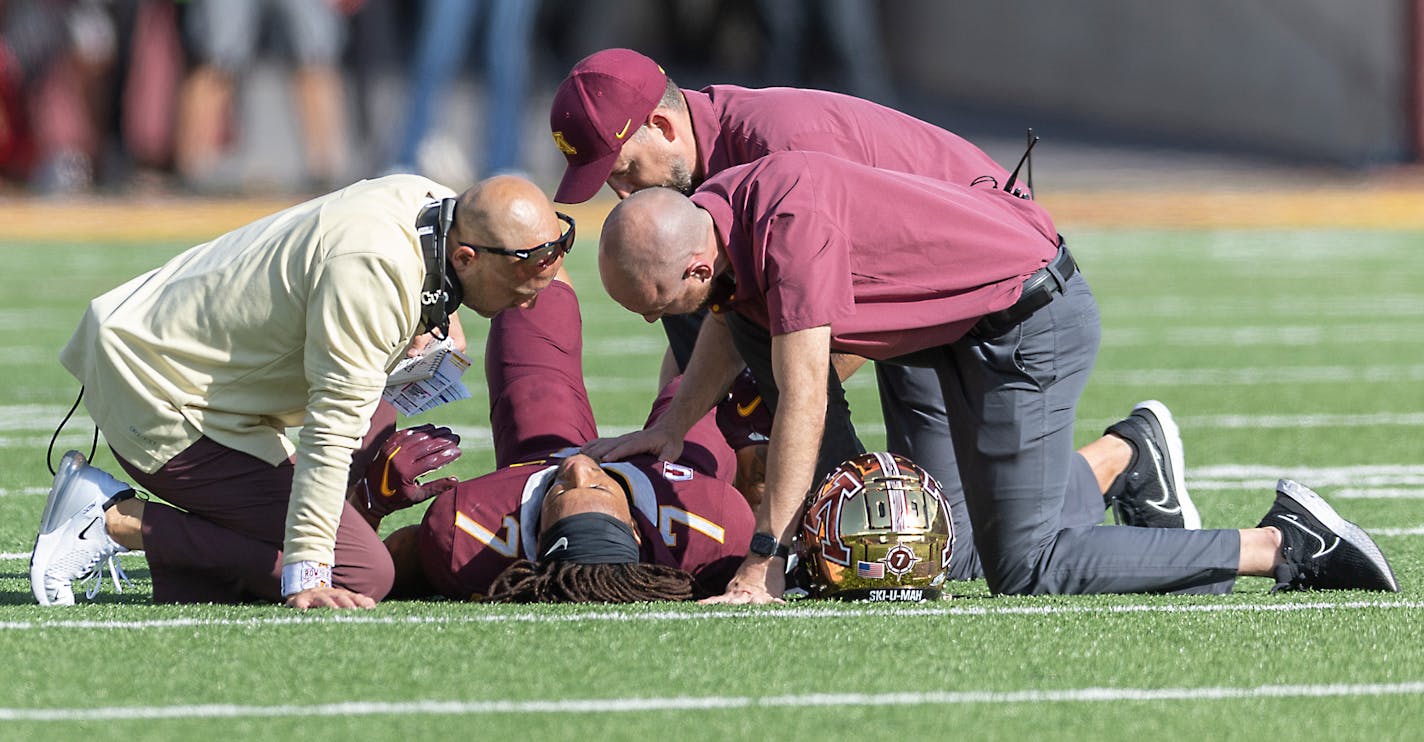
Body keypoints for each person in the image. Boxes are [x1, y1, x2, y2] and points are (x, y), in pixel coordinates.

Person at [589, 154, 1401, 603]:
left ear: (698, 257)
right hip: (956, 334)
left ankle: (1286, 544)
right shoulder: (722, 206)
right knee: (959, 546)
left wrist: (766, 558)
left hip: (1024, 328)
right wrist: (669, 427)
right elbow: (736, 327)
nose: (652, 322)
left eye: (658, 303)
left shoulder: (785, 222)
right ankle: (1126, 457)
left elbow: (802, 389)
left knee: (1029, 568)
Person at [548, 47, 1196, 571]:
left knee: (911, 536)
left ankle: (809, 537)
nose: (621, 190)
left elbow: (830, 334)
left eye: (623, 171)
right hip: (913, 302)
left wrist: (767, 490)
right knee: (934, 542)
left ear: (662, 127)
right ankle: (1122, 460)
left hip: (966, 291)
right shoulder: (687, 206)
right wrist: (677, 426)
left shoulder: (777, 150)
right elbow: (723, 328)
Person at [29, 172, 573, 609]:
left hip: (178, 359)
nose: (528, 303)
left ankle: (225, 545)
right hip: (157, 390)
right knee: (364, 571)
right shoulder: (375, 273)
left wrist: (435, 309)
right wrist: (309, 570)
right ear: (465, 258)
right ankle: (114, 520)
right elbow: (330, 429)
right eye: (521, 285)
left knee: (378, 423)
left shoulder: (430, 203)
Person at [361, 276, 761, 602]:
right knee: (725, 390)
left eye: (560, 492)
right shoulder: (716, 527)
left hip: (534, 469)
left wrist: (369, 504)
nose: (579, 467)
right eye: (600, 487)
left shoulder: (467, 533)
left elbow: (374, 570)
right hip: (670, 484)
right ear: (637, 531)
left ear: (534, 537)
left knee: (530, 296)